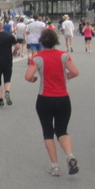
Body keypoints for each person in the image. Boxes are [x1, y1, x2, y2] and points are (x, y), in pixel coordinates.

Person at [25, 28, 80, 177]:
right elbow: (75, 72)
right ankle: (69, 154)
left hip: (45, 99)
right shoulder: (64, 55)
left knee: (48, 131)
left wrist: (34, 79)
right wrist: (65, 76)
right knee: (62, 130)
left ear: (42, 42)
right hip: (63, 98)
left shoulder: (37, 58)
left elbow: (28, 76)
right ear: (56, 41)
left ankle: (55, 166)